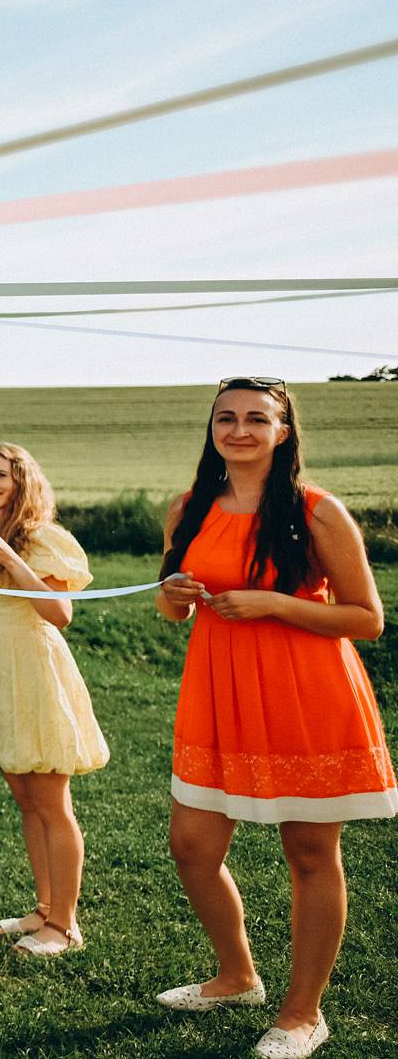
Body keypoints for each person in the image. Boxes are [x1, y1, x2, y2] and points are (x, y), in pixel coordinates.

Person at [153, 378, 392, 1059]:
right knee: (192, 845)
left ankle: (302, 1013)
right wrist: (173, 593)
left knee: (310, 853)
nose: (239, 430)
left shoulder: (318, 511)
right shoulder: (188, 508)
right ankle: (236, 977)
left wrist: (273, 603)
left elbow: (367, 618)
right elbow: (171, 609)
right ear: (211, 429)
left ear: (283, 432)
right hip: (217, 692)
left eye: (257, 418)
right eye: (225, 417)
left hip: (303, 694)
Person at [0, 443, 105, 958]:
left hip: (35, 674)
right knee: (26, 799)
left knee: (52, 803)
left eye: (0, 474)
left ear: (22, 480)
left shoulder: (43, 539)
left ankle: (65, 925)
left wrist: (13, 560)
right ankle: (44, 908)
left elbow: (60, 614)